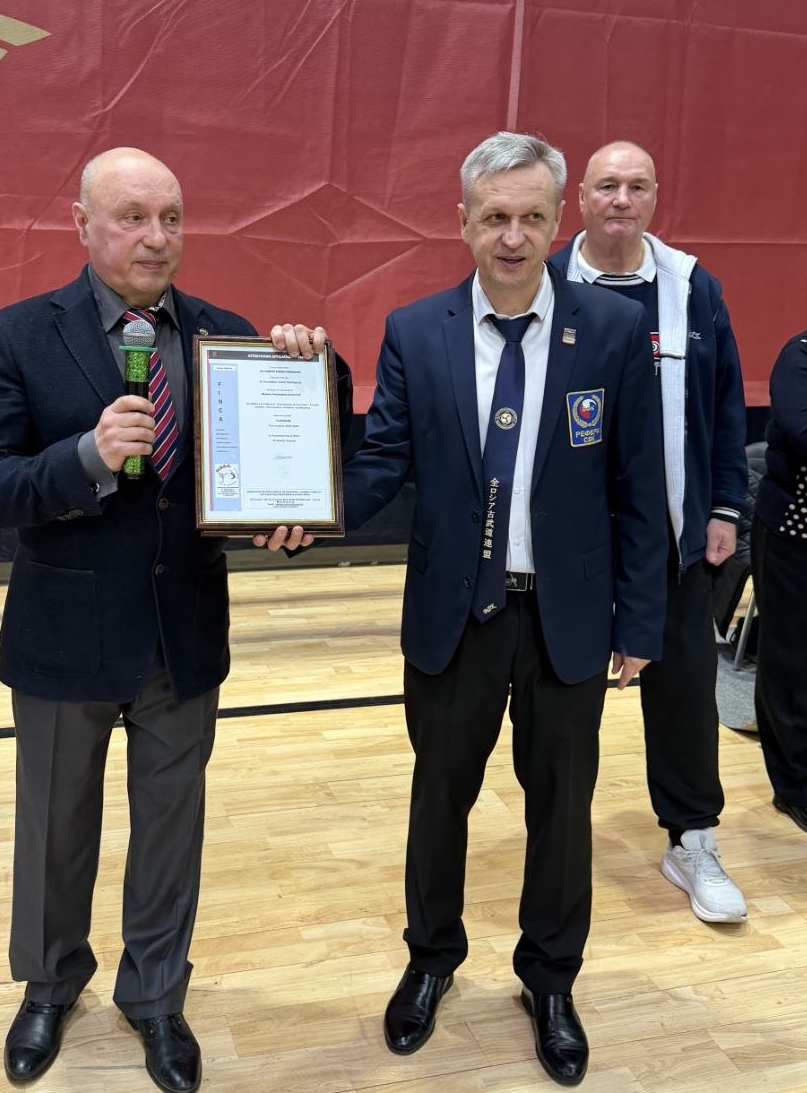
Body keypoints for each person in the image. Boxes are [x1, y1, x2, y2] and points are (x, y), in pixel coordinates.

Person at [268, 131, 668, 1086]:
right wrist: (309, 509)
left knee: (562, 810)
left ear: (559, 219)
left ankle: (550, 979)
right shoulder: (418, 330)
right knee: (439, 798)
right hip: (455, 617)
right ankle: (430, 959)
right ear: (462, 221)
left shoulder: (613, 332)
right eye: (494, 217)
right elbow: (383, 460)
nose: (513, 236)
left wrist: (641, 622)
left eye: (531, 216)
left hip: (568, 618)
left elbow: (639, 485)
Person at [0, 148, 339, 1093]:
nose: (155, 237)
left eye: (170, 217)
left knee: (171, 829)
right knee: (55, 826)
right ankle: (50, 985)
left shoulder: (229, 337)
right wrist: (82, 457)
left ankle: (157, 996)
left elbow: (290, 451)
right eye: (131, 217)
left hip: (182, 629)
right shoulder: (20, 333)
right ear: (82, 225)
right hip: (64, 633)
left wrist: (315, 375)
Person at [550, 141, 750, 924]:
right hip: (569, 547)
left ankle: (692, 838)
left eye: (637, 186)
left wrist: (725, 507)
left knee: (686, 696)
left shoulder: (694, 288)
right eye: (607, 185)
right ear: (581, 199)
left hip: (671, 540)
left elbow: (725, 406)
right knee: (563, 704)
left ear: (656, 197)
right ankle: (557, 847)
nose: (622, 199)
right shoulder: (545, 281)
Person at [751, 327, 807, 834]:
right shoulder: (801, 356)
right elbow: (805, 432)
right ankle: (795, 786)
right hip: (796, 535)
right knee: (792, 663)